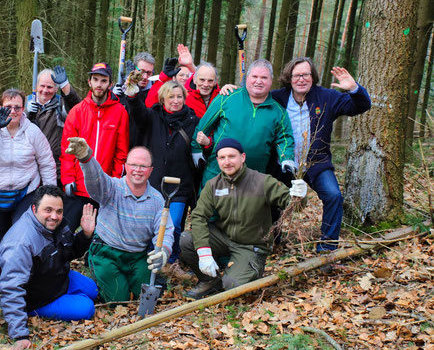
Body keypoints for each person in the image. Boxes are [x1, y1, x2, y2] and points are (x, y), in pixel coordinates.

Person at [220, 58, 372, 253]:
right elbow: (251, 96)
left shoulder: (327, 97)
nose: (301, 79)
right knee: (270, 199)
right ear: (289, 78)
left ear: (312, 77)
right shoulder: (276, 98)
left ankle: (327, 246)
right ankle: (272, 240)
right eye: (296, 75)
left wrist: (354, 89)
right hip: (284, 163)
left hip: (316, 162)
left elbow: (361, 106)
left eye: (306, 75)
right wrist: (229, 89)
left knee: (333, 195)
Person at [180, 138, 307, 298]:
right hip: (224, 237)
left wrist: (299, 196)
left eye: (232, 156)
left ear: (243, 157)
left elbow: (293, 205)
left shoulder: (262, 181)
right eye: (222, 157)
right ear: (217, 160)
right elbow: (199, 217)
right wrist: (204, 252)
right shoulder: (213, 185)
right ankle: (209, 280)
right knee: (187, 239)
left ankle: (251, 269)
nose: (227, 162)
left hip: (251, 244)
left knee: (233, 286)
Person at [65, 138, 174, 302]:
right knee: (117, 299)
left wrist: (163, 251)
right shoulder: (112, 188)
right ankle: (95, 275)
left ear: (151, 170)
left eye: (143, 166)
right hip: (107, 252)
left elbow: (165, 231)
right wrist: (86, 158)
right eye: (133, 165)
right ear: (125, 166)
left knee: (142, 296)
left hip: (137, 255)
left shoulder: (157, 200)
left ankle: (131, 280)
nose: (138, 170)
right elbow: (96, 180)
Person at [0, 185, 98, 350]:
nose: (54, 216)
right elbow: (10, 288)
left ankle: (67, 295)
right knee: (87, 308)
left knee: (92, 290)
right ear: (34, 208)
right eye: (48, 210)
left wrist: (85, 235)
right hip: (36, 297)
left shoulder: (54, 225)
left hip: (54, 277)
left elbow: (69, 250)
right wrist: (19, 335)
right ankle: (35, 311)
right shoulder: (21, 242)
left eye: (59, 211)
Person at [0, 88, 57, 246]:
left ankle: (24, 269)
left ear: (23, 108)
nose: (13, 111)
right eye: (8, 107)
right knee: (1, 237)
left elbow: (46, 162)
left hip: (25, 192)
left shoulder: (32, 131)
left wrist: (50, 193)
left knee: (22, 236)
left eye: (17, 107)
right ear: (0, 107)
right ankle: (1, 269)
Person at [125, 80, 199, 266]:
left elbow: (200, 146)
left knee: (173, 226)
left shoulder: (192, 120)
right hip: (154, 183)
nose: (175, 100)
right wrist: (133, 97)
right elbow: (138, 113)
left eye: (179, 97)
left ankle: (170, 263)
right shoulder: (153, 116)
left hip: (179, 185)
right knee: (151, 226)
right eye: (171, 97)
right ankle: (148, 260)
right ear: (162, 99)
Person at [191, 59, 296, 188]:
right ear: (247, 78)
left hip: (253, 179)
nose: (258, 81)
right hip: (217, 173)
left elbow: (285, 138)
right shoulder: (227, 97)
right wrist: (196, 148)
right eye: (254, 76)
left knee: (247, 208)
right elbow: (203, 127)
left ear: (271, 81)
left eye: (264, 77)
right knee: (210, 207)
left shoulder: (278, 112)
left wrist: (287, 157)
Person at [60, 62, 129, 231]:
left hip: (105, 188)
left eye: (103, 80)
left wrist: (114, 182)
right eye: (95, 79)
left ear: (110, 84)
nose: (99, 84)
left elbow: (121, 152)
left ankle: (92, 258)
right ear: (89, 82)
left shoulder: (120, 112)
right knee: (65, 231)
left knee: (99, 237)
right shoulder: (77, 112)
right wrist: (68, 179)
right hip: (78, 186)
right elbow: (67, 151)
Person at [25, 66, 82, 181]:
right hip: (29, 167)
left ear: (56, 89)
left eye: (50, 87)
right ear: (36, 86)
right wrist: (25, 112)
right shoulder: (25, 102)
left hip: (56, 168)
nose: (45, 90)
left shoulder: (61, 104)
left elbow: (79, 110)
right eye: (42, 86)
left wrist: (65, 86)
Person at [145, 45, 220, 119]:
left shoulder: (222, 96)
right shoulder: (183, 96)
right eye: (202, 80)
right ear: (194, 79)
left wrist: (191, 66)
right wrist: (163, 79)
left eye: (210, 81)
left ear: (215, 81)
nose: (206, 84)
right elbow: (151, 105)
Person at [113, 52, 156, 147]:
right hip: (120, 144)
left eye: (149, 73)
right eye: (141, 71)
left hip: (143, 146)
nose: (144, 77)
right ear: (134, 69)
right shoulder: (120, 89)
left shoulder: (155, 93)